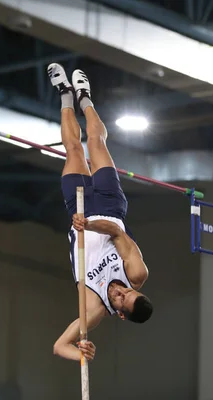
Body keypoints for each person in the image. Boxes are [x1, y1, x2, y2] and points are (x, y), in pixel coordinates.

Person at [47, 63, 153, 363]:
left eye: (121, 299)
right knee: (95, 142)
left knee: (73, 150)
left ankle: (65, 94)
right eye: (129, 293)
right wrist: (90, 225)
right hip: (108, 207)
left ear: (120, 314)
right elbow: (117, 233)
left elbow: (59, 346)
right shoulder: (136, 274)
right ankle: (85, 98)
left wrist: (81, 354)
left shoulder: (93, 309)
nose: (122, 292)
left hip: (78, 211)